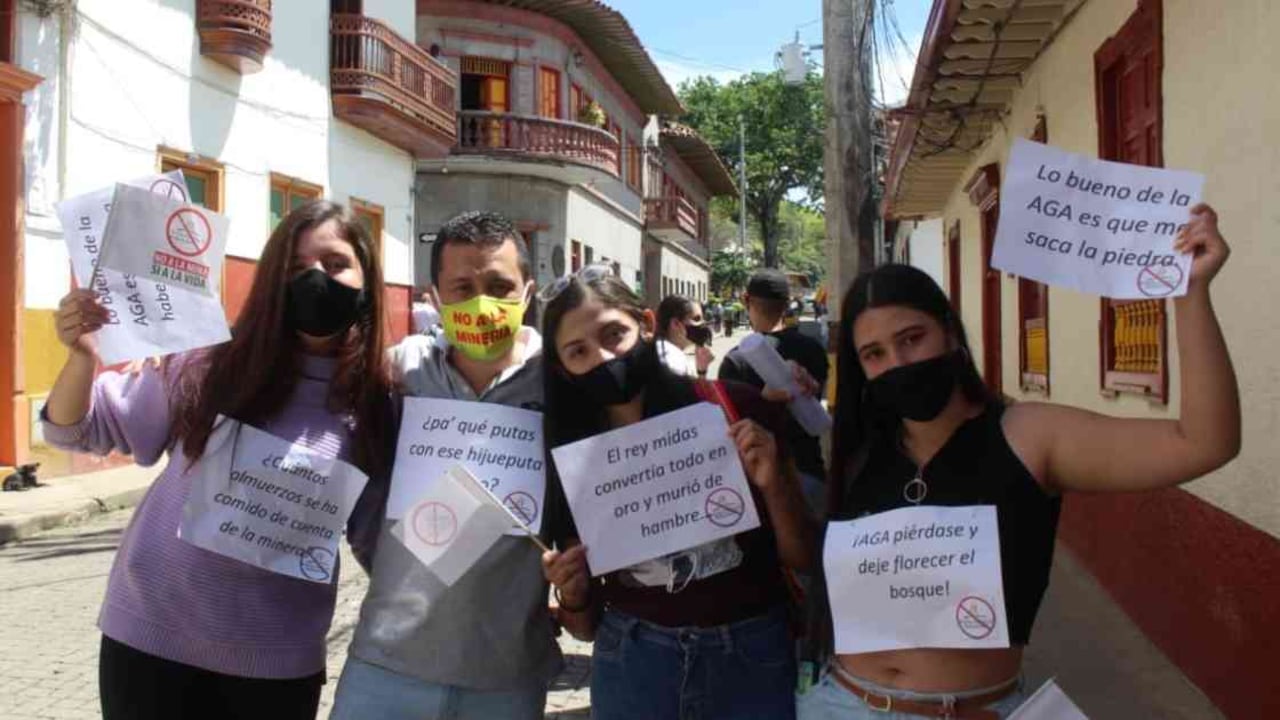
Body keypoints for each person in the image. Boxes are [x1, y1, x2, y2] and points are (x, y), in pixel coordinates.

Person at [799, 204, 1240, 719]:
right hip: (840, 703)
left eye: (911, 339)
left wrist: (1191, 294)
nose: (896, 364)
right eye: (874, 354)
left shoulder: (1028, 434)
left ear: (948, 332)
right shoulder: (862, 451)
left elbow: (1205, 442)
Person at [42, 201, 394, 720]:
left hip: (275, 667)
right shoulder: (205, 364)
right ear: (272, 280)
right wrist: (81, 358)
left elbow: (378, 541)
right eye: (296, 269)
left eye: (335, 264)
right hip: (149, 644)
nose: (316, 279)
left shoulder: (375, 406)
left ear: (366, 282)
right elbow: (77, 429)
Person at [539, 267, 816, 720]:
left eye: (614, 334)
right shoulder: (574, 459)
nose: (603, 356)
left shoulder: (733, 410)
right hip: (633, 662)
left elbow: (804, 557)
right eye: (578, 351)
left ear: (645, 324)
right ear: (561, 367)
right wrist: (571, 592)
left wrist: (775, 484)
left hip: (751, 656)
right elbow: (584, 629)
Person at [330, 212, 559, 720]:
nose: (482, 302)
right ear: (434, 297)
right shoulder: (398, 373)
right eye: (462, 287)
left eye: (500, 286)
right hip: (385, 662)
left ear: (526, 294)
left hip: (506, 675)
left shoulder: (562, 387)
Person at [721, 269, 830, 516]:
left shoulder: (735, 362)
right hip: (810, 469)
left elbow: (729, 428)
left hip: (760, 484)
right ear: (786, 304)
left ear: (746, 300)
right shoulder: (813, 350)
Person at [655, 294, 715, 378]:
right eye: (697, 319)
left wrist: (701, 370)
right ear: (675, 324)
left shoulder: (659, 351)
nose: (702, 324)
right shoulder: (673, 360)